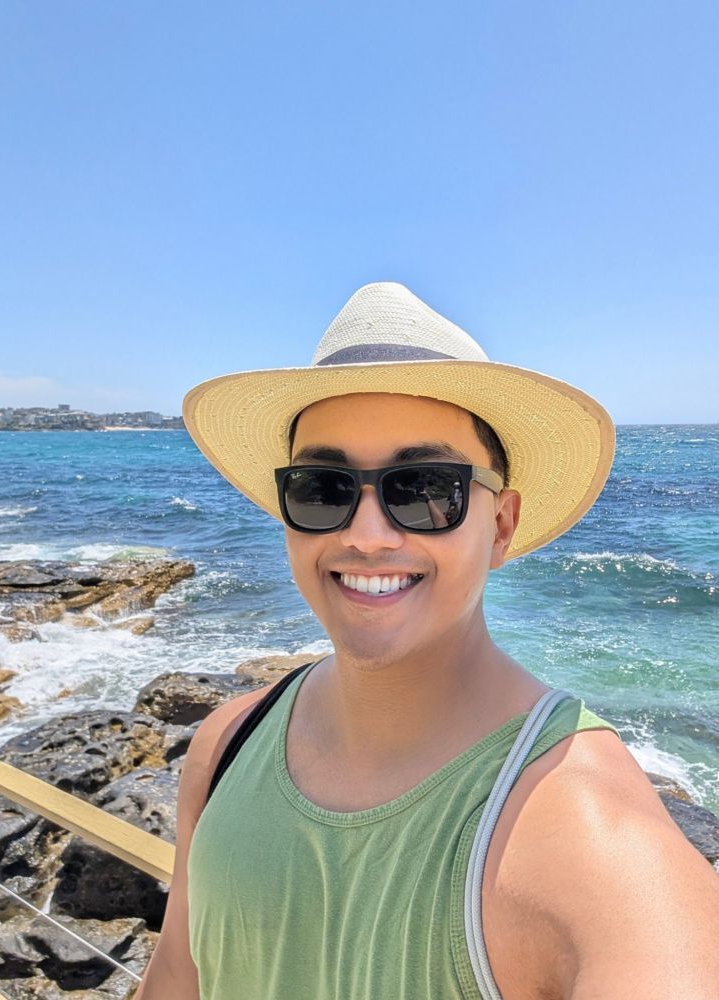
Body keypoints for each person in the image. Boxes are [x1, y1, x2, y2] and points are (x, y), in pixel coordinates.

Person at [134, 283, 719, 1000]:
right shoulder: (226, 746)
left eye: (425, 489)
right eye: (323, 488)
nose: (366, 535)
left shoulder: (582, 825)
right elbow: (176, 978)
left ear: (501, 526)